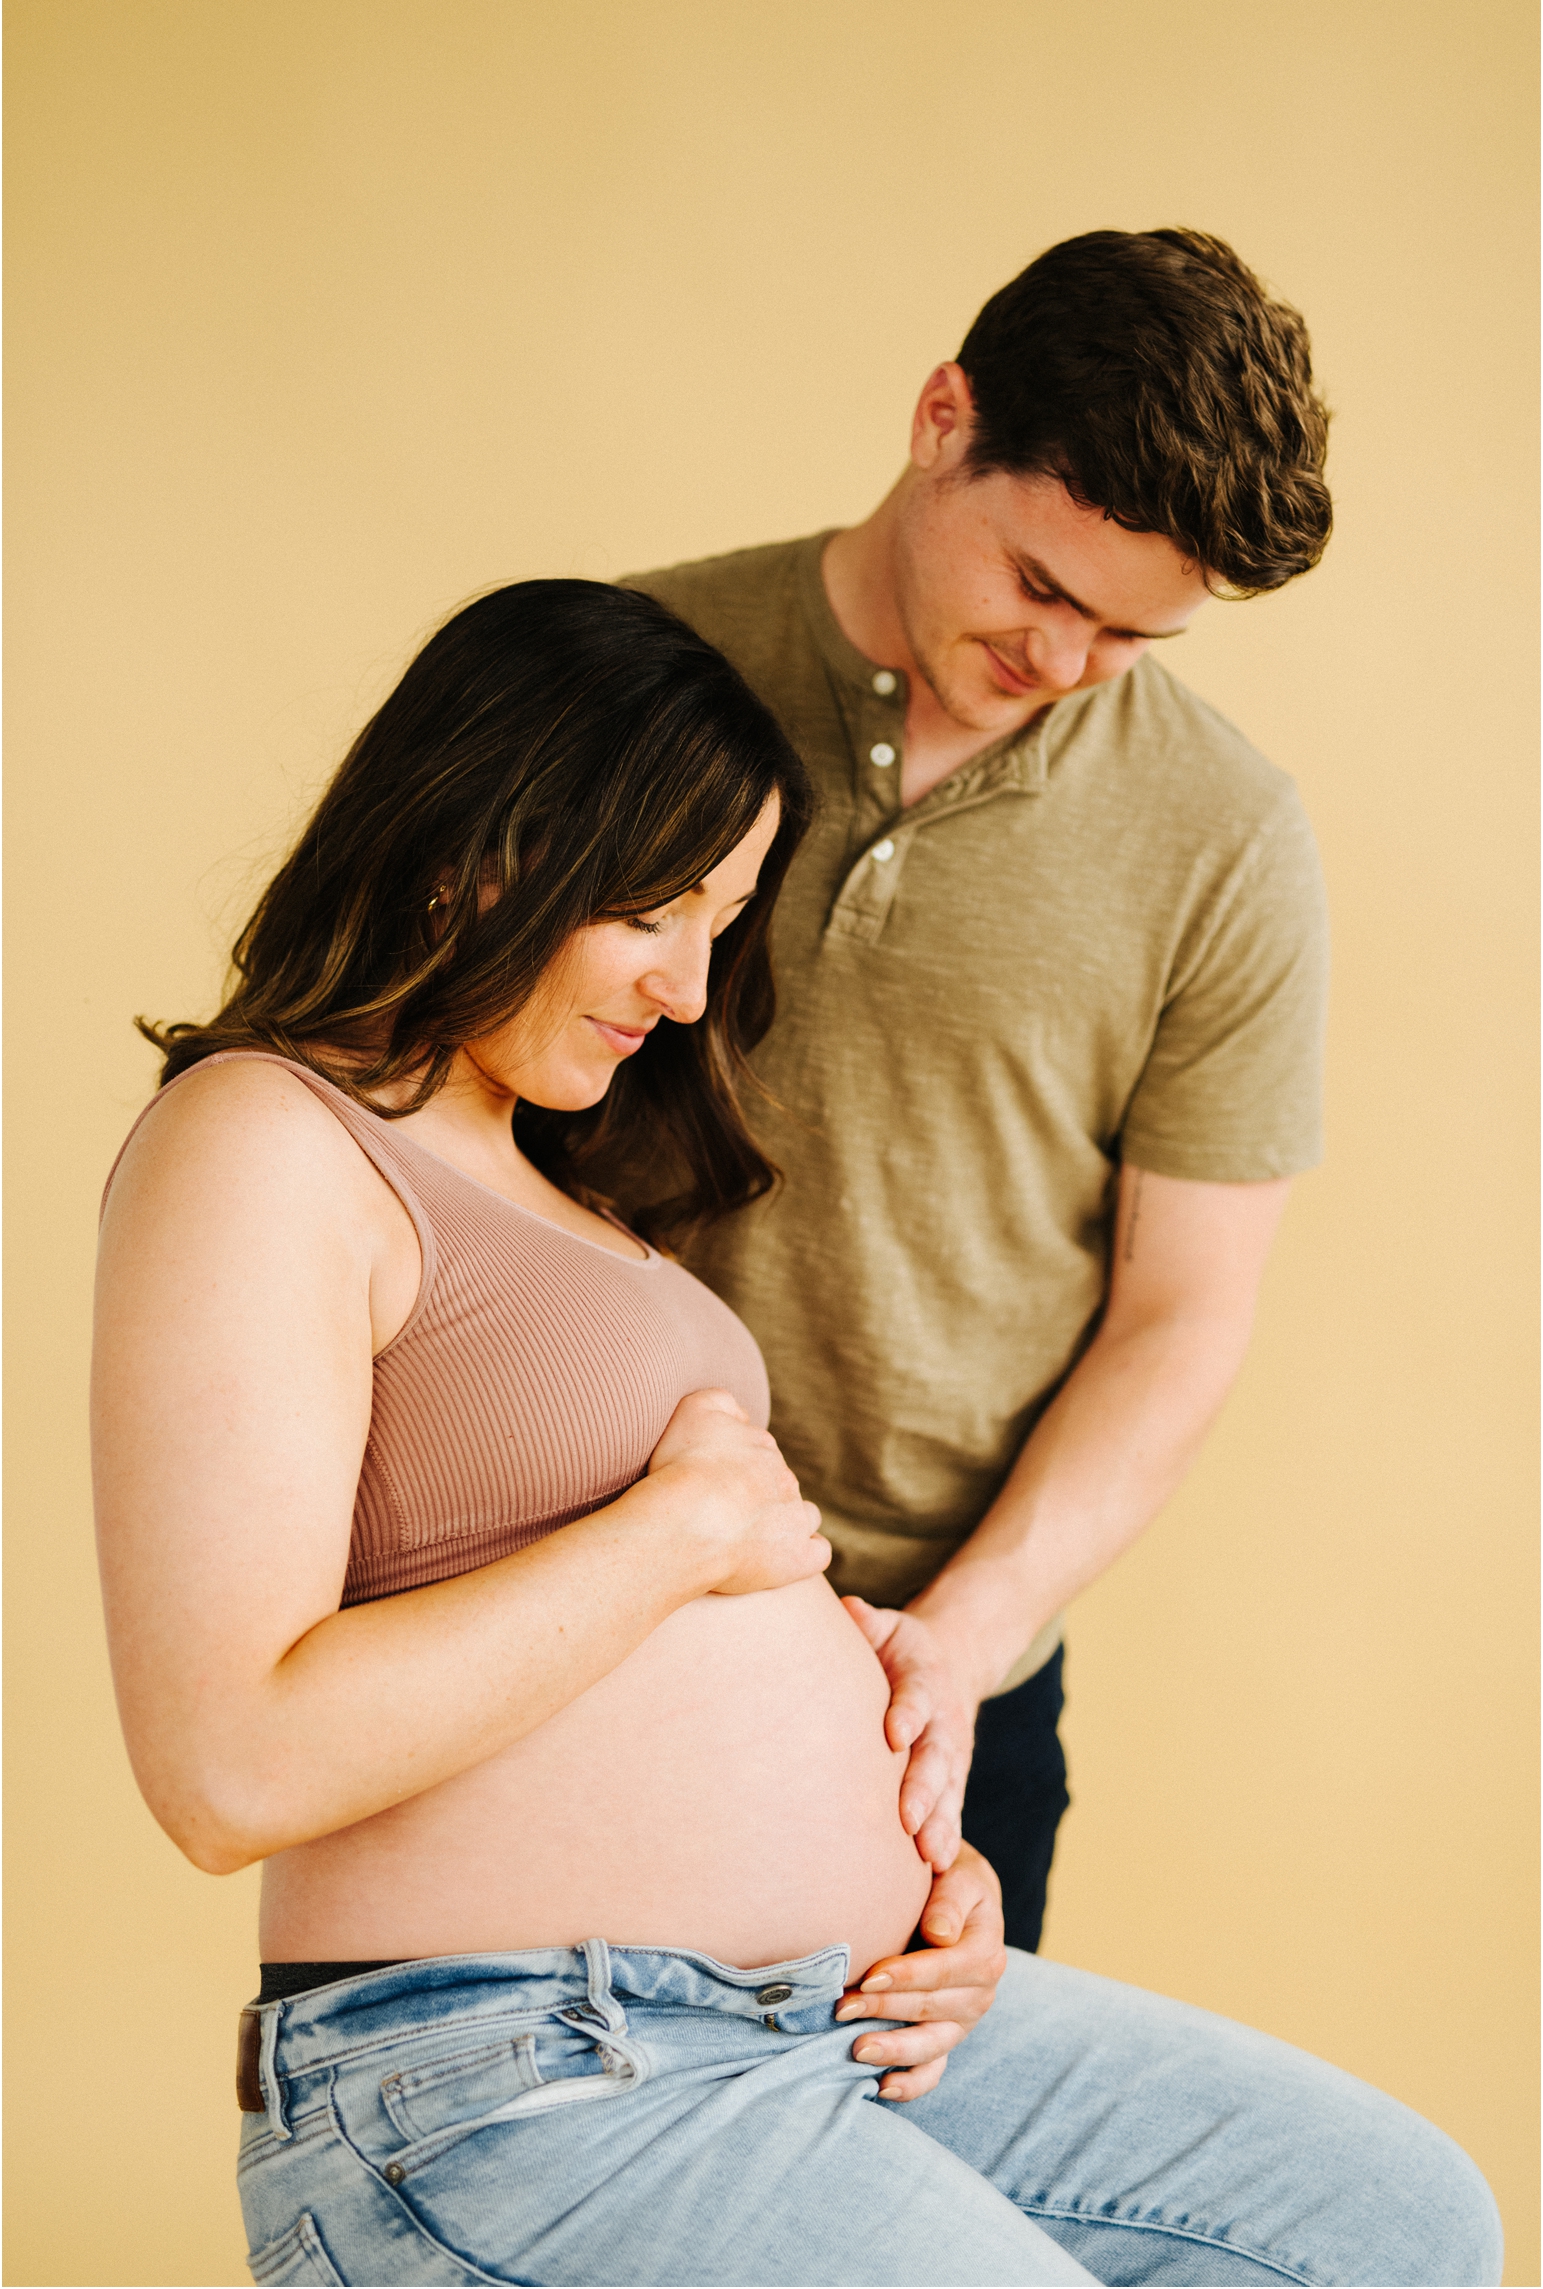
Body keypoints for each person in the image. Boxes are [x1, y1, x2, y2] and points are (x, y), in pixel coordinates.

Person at [92, 580, 1500, 2287]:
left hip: (825, 2021)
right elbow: (229, 1764)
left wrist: (915, 1878)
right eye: (656, 916)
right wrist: (673, 1536)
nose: (690, 991)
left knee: (1394, 2225)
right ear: (486, 840)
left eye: (725, 921)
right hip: (515, 2071)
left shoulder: (570, 1187)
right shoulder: (267, 1137)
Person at [624, 227, 1335, 1947]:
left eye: (1131, 636)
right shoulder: (630, 672)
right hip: (576, 1605)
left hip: (943, 1680)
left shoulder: (1227, 840)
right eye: (1037, 586)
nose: (1065, 664)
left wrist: (967, 1628)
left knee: (913, 2203)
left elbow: (1182, 1316)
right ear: (945, 418)